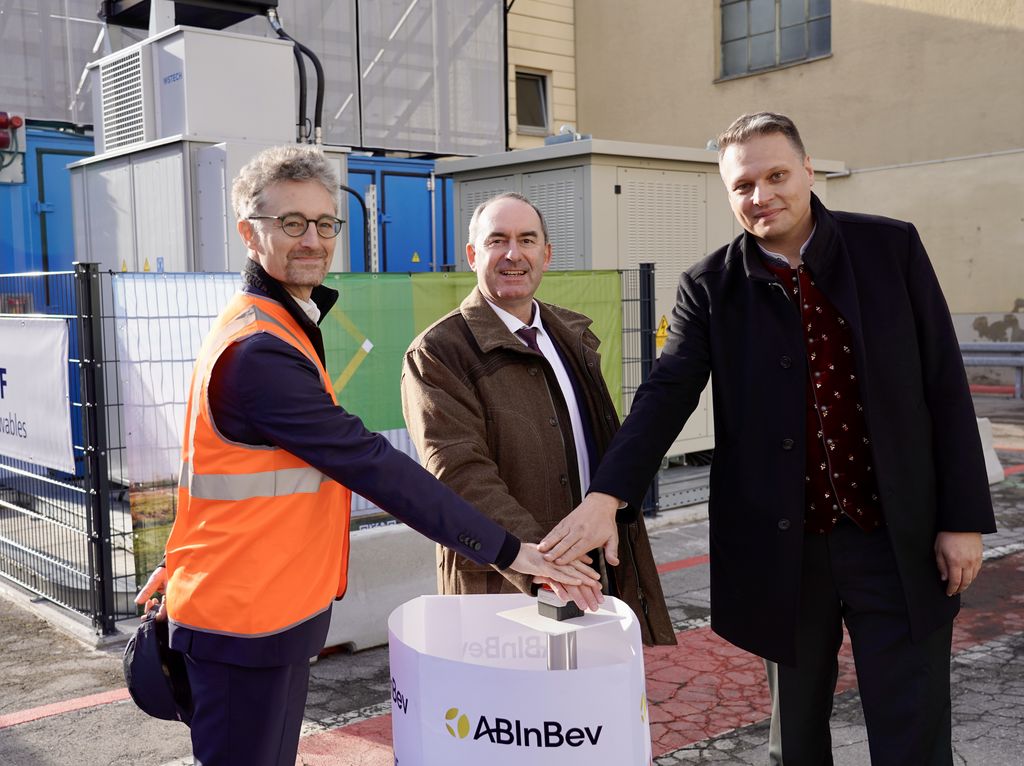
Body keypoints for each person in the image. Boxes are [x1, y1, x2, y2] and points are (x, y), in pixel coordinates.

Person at [539, 113, 997, 764]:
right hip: (788, 553)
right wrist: (607, 494)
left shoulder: (890, 250)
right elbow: (666, 392)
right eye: (743, 184)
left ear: (809, 171)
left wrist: (962, 520)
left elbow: (943, 385)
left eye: (776, 175)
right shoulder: (710, 286)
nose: (761, 195)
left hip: (896, 539)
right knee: (795, 739)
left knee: (915, 731)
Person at [132, 146, 599, 766]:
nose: (314, 240)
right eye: (291, 223)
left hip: (255, 604)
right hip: (245, 620)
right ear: (249, 233)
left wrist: (180, 560)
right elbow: (375, 466)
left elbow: (217, 473)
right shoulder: (260, 352)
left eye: (326, 224)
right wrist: (514, 550)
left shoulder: (271, 323)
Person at [400, 192, 675, 644]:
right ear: (473, 255)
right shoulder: (437, 353)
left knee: (594, 707)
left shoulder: (571, 336)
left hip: (593, 573)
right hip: (506, 585)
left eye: (527, 240)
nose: (514, 254)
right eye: (497, 241)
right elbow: (459, 473)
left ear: (546, 255)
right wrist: (543, 560)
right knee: (510, 712)